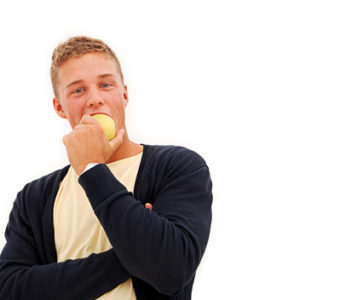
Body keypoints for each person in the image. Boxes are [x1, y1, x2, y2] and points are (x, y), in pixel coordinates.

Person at [0, 36, 213, 300]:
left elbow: (170, 270)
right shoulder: (33, 198)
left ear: (124, 94)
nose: (95, 99)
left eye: (106, 84)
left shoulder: (178, 167)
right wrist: (130, 254)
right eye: (78, 90)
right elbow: (10, 289)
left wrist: (91, 169)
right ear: (60, 108)